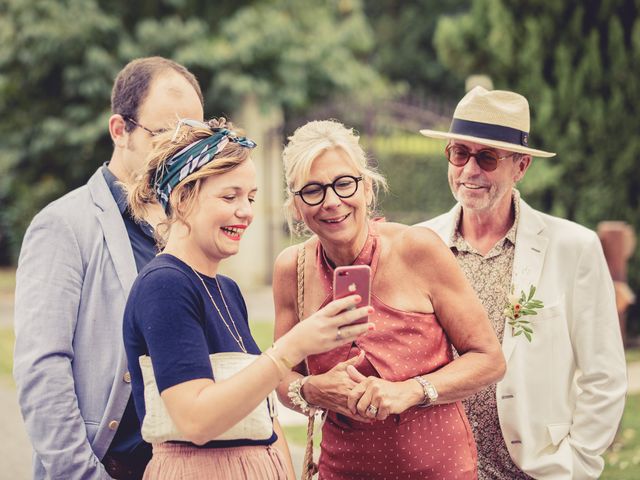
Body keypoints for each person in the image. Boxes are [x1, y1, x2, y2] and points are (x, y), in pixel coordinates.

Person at [122, 117, 373, 480]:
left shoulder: (227, 290)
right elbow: (196, 420)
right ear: (181, 198)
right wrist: (295, 345)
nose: (246, 212)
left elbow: (265, 420)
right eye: (230, 196)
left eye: (251, 197)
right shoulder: (165, 285)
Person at [273, 119, 506, 479]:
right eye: (313, 190)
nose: (332, 202)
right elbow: (279, 377)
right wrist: (311, 389)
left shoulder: (418, 249)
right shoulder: (293, 269)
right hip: (344, 469)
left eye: (343, 184)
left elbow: (489, 360)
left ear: (366, 188)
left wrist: (411, 391)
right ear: (296, 206)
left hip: (438, 467)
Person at [417, 86, 627, 479]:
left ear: (522, 166)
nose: (469, 170)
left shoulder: (574, 248)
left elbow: (605, 376)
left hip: (534, 470)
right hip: (438, 467)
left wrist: (576, 464)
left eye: (487, 157)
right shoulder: (417, 245)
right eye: (459, 153)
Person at [13, 56, 205, 480]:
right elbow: (42, 370)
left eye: (192, 137)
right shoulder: (62, 225)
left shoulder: (194, 225)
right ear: (120, 130)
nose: (181, 150)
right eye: (166, 134)